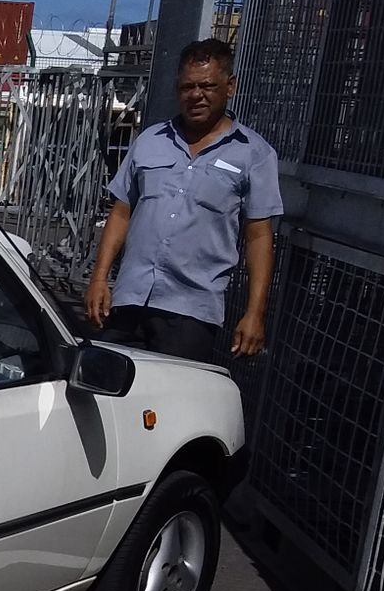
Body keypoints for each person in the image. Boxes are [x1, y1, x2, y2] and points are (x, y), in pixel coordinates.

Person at [85, 37, 284, 363]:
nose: (196, 95)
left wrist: (255, 313)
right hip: (128, 301)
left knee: (172, 395)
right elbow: (121, 212)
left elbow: (259, 237)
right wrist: (99, 278)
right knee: (106, 386)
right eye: (188, 86)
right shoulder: (150, 141)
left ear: (230, 86)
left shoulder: (254, 155)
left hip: (191, 313)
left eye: (207, 86)